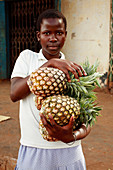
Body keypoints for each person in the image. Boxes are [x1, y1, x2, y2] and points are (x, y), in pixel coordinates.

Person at [10, 9, 91, 170]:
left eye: (59, 33)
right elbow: (14, 93)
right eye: (47, 33)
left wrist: (72, 136)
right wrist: (49, 64)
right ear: (38, 35)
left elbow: (87, 119)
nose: (53, 38)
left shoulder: (74, 70)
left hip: (69, 150)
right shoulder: (27, 58)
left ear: (65, 35)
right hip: (34, 149)